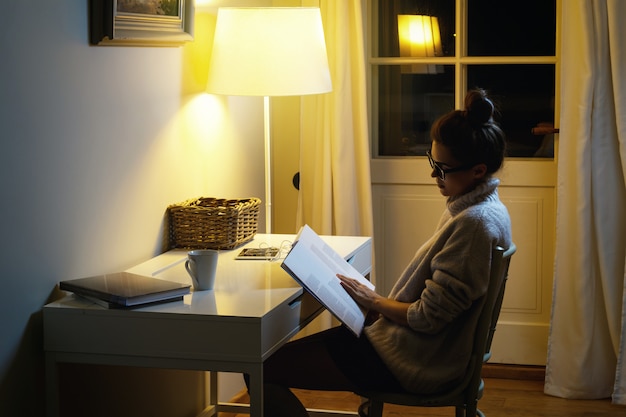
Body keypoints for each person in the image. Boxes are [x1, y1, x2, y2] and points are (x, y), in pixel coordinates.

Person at [246, 88, 513, 417]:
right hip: (410, 346)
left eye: (443, 168)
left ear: (478, 170)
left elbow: (428, 317)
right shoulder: (482, 209)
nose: (434, 175)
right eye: (432, 162)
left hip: (413, 360)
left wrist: (375, 303)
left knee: (261, 367)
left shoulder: (474, 224)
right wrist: (379, 307)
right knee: (268, 362)